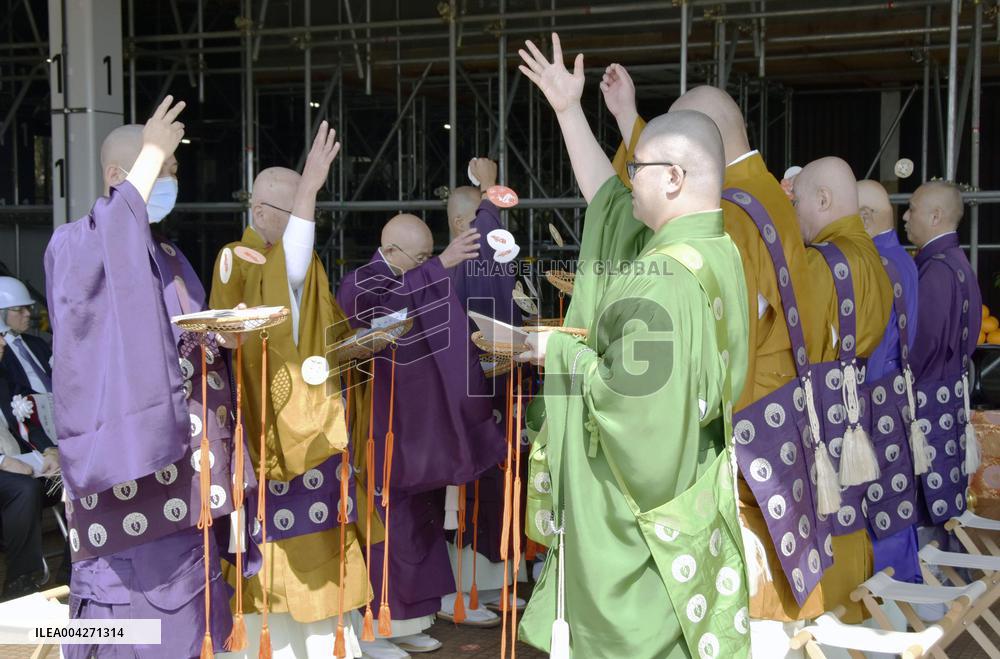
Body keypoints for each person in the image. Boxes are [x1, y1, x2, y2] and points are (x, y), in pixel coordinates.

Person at [602, 74, 871, 642]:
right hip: (788, 407)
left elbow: (718, 333)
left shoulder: (735, 210)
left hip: (746, 419)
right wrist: (625, 116)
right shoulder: (768, 193)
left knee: (748, 597)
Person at [515, 34, 750, 658]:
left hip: (645, 513)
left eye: (638, 166)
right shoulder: (712, 248)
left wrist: (552, 351)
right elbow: (610, 202)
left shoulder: (665, 279)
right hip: (693, 485)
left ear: (672, 178)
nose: (628, 176)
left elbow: (634, 412)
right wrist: (569, 110)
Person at [44, 97, 236, 658]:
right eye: (161, 169)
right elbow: (112, 252)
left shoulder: (171, 253)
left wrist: (223, 337)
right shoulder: (76, 242)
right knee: (122, 603)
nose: (169, 180)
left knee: (190, 592)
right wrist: (152, 152)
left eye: (172, 169)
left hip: (186, 460)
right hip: (124, 466)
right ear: (115, 177)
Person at [210, 124, 371, 659]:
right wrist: (310, 190)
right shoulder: (240, 258)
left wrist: (356, 347)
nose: (306, 220)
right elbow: (275, 312)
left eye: (308, 211)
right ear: (260, 211)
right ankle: (277, 646)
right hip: (270, 427)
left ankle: (327, 641)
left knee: (326, 532)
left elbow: (319, 326)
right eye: (295, 209)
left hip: (316, 416)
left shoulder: (300, 256)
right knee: (277, 543)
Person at [336, 213, 506, 656]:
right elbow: (382, 315)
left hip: (418, 426)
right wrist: (439, 267)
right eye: (422, 256)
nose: (430, 262)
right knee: (388, 525)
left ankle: (411, 617)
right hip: (381, 427)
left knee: (420, 521)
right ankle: (375, 626)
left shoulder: (407, 273)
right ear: (390, 251)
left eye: (431, 254)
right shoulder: (360, 283)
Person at [442, 157, 525, 623]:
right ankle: (464, 592)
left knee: (491, 488)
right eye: (481, 219)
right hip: (467, 395)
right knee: (468, 492)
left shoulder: (470, 260)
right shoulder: (463, 260)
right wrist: (492, 189)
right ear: (461, 223)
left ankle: (489, 586)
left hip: (489, 386)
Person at [904, 181, 981, 528]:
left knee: (927, 507)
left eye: (912, 208)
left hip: (927, 401)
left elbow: (922, 344)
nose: (905, 217)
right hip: (950, 393)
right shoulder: (958, 263)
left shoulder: (935, 268)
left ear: (935, 216)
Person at [857, 179, 922, 583]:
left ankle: (890, 603)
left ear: (863, 218)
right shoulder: (904, 260)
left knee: (880, 504)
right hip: (896, 392)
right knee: (895, 499)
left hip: (874, 394)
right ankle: (904, 588)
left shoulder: (875, 266)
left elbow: (870, 349)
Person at [0, 349, 61, 600]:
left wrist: (49, 451)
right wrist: (3, 461)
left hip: (22, 466)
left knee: (71, 478)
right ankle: (20, 580)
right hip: (9, 472)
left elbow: (26, 421)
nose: (3, 342)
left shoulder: (3, 379)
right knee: (23, 489)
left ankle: (73, 570)